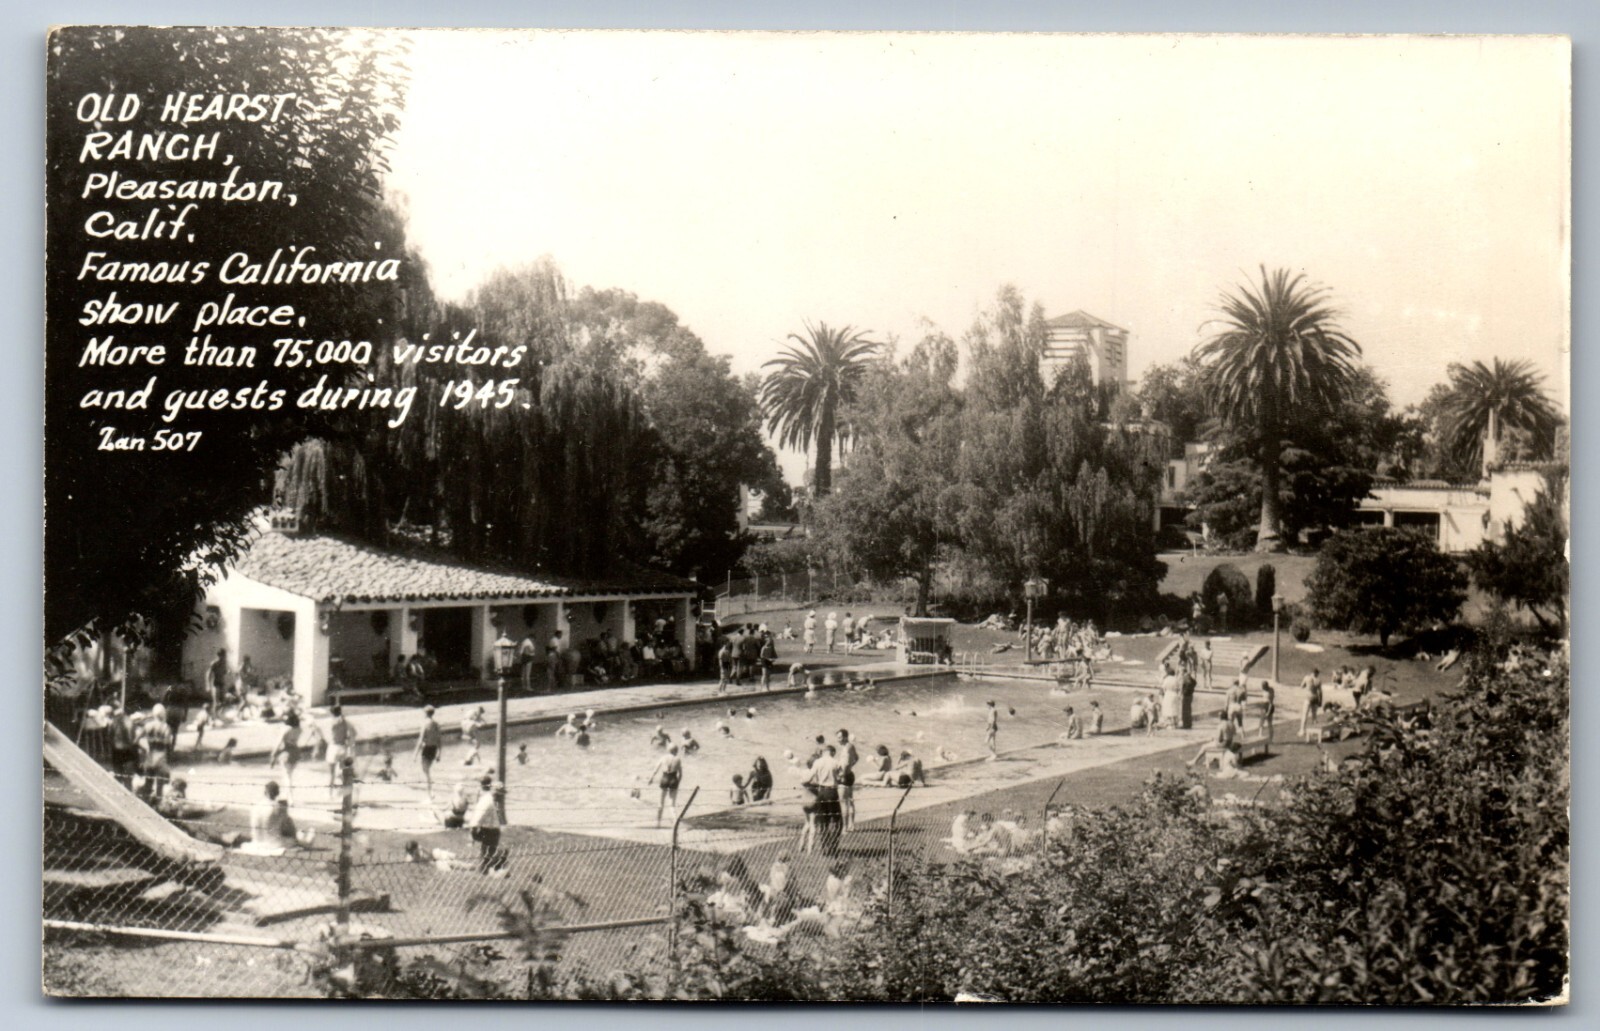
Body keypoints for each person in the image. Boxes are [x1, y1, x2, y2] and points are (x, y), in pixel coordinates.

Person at [466, 775, 506, 875]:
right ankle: (486, 869)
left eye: (500, 794)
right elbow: (478, 818)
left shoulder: (491, 800)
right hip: (487, 830)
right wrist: (473, 832)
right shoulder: (489, 801)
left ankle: (488, 868)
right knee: (487, 854)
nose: (500, 796)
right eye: (498, 794)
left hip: (491, 830)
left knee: (487, 854)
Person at [137, 705, 174, 802]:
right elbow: (168, 744)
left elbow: (136, 739)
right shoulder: (165, 727)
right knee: (159, 786)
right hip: (160, 757)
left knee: (148, 783)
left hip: (150, 756)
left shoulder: (148, 725)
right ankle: (158, 806)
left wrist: (144, 748)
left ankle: (145, 804)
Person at [249, 781, 297, 852]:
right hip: (274, 844)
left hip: (256, 842)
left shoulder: (256, 806)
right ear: (278, 793)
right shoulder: (278, 807)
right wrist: (285, 810)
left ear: (264, 792)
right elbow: (289, 829)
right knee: (293, 840)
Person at [326, 704, 356, 796]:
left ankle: (329, 794)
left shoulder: (331, 722)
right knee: (343, 771)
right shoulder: (345, 722)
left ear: (331, 713)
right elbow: (354, 733)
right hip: (343, 747)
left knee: (331, 773)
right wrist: (348, 739)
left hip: (333, 748)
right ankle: (346, 791)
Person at [649, 745, 683, 827]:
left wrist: (651, 779)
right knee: (672, 804)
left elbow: (656, 769)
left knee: (661, 803)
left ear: (668, 750)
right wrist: (677, 783)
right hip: (673, 779)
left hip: (664, 778)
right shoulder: (678, 759)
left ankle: (658, 823)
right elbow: (680, 774)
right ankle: (675, 823)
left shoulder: (663, 757)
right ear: (676, 750)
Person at [413, 705, 442, 801]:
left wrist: (415, 754)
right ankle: (430, 793)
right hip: (433, 749)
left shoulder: (424, 724)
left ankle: (429, 795)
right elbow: (439, 740)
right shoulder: (436, 724)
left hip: (426, 749)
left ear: (426, 713)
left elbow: (420, 740)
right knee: (427, 771)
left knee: (426, 773)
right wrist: (439, 753)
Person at [836, 729, 860, 829]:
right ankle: (852, 824)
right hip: (850, 774)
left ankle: (845, 827)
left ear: (845, 737)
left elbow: (845, 763)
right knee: (850, 801)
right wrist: (851, 766)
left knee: (843, 802)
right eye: (837, 737)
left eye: (840, 737)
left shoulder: (846, 748)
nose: (838, 739)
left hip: (844, 776)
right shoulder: (851, 746)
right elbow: (857, 758)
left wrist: (841, 775)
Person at [1300, 668, 1323, 736]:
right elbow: (1320, 692)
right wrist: (1320, 701)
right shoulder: (1318, 680)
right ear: (1317, 673)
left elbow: (1302, 686)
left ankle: (1302, 730)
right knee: (1314, 715)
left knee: (1305, 714)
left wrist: (1307, 685)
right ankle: (1314, 731)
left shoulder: (1307, 677)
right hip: (1315, 697)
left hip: (1308, 697)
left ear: (1311, 672)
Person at [1161, 662, 1182, 730]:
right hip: (1174, 694)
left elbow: (1163, 687)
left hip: (1168, 693)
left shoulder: (1167, 679)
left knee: (1168, 709)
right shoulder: (1175, 679)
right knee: (1174, 708)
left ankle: (1169, 724)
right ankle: (1175, 723)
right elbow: (1179, 688)